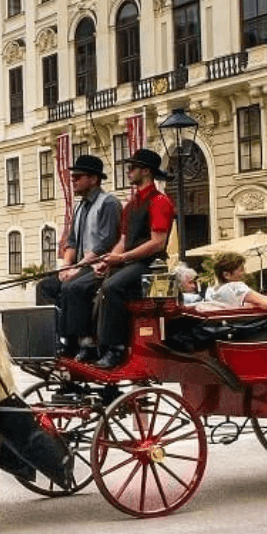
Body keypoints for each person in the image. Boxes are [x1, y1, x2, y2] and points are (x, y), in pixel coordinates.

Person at [92, 149, 176, 369]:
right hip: (131, 261)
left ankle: (116, 348)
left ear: (146, 171)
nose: (128, 172)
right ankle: (94, 343)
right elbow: (123, 239)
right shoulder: (131, 204)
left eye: (132, 168)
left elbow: (157, 242)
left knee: (112, 287)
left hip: (151, 264)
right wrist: (109, 259)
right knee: (96, 286)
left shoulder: (159, 201)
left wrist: (122, 257)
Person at [35, 154, 122, 360]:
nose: (72, 180)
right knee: (45, 287)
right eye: (72, 177)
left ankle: (85, 343)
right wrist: (66, 266)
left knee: (72, 287)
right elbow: (72, 242)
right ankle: (57, 338)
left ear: (94, 179)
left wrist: (77, 267)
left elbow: (105, 243)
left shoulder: (108, 203)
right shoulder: (80, 206)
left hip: (100, 266)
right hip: (80, 266)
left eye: (78, 177)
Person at [191, 253, 267, 312]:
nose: (244, 272)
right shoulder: (236, 287)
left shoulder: (210, 291)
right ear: (226, 275)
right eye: (241, 270)